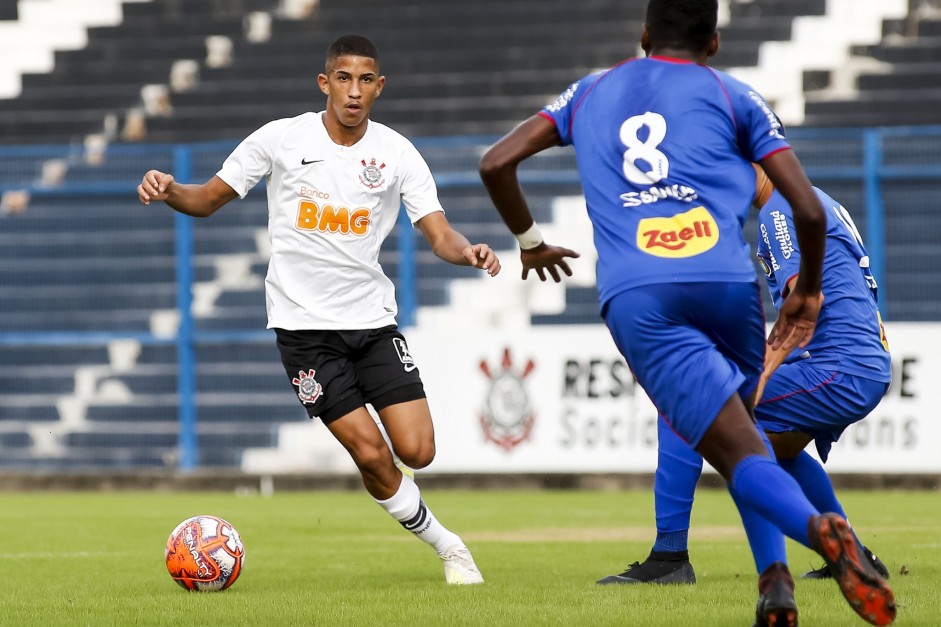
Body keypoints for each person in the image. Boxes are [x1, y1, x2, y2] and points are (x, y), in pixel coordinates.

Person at [479, 1, 895, 625]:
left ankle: (775, 542)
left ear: (645, 35)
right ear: (716, 42)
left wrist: (531, 241)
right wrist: (808, 291)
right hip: (725, 281)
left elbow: (495, 162)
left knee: (710, 433)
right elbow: (810, 213)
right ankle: (777, 582)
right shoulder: (737, 97)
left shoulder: (593, 91)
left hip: (641, 288)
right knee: (747, 437)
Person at [138, 34, 499, 585]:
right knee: (373, 457)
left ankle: (437, 529)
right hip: (305, 334)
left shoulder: (397, 153)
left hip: (373, 325)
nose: (354, 91)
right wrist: (169, 190)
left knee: (418, 450)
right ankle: (450, 549)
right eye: (344, 79)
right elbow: (207, 198)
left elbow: (439, 234)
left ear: (379, 87)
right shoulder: (283, 139)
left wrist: (468, 252)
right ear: (325, 82)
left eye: (366, 80)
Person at [597, 166, 892, 588]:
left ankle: (669, 558)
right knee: (779, 450)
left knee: (688, 407)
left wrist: (762, 372)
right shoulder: (808, 198)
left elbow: (803, 298)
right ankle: (852, 557)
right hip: (860, 362)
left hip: (840, 367)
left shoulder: (779, 210)